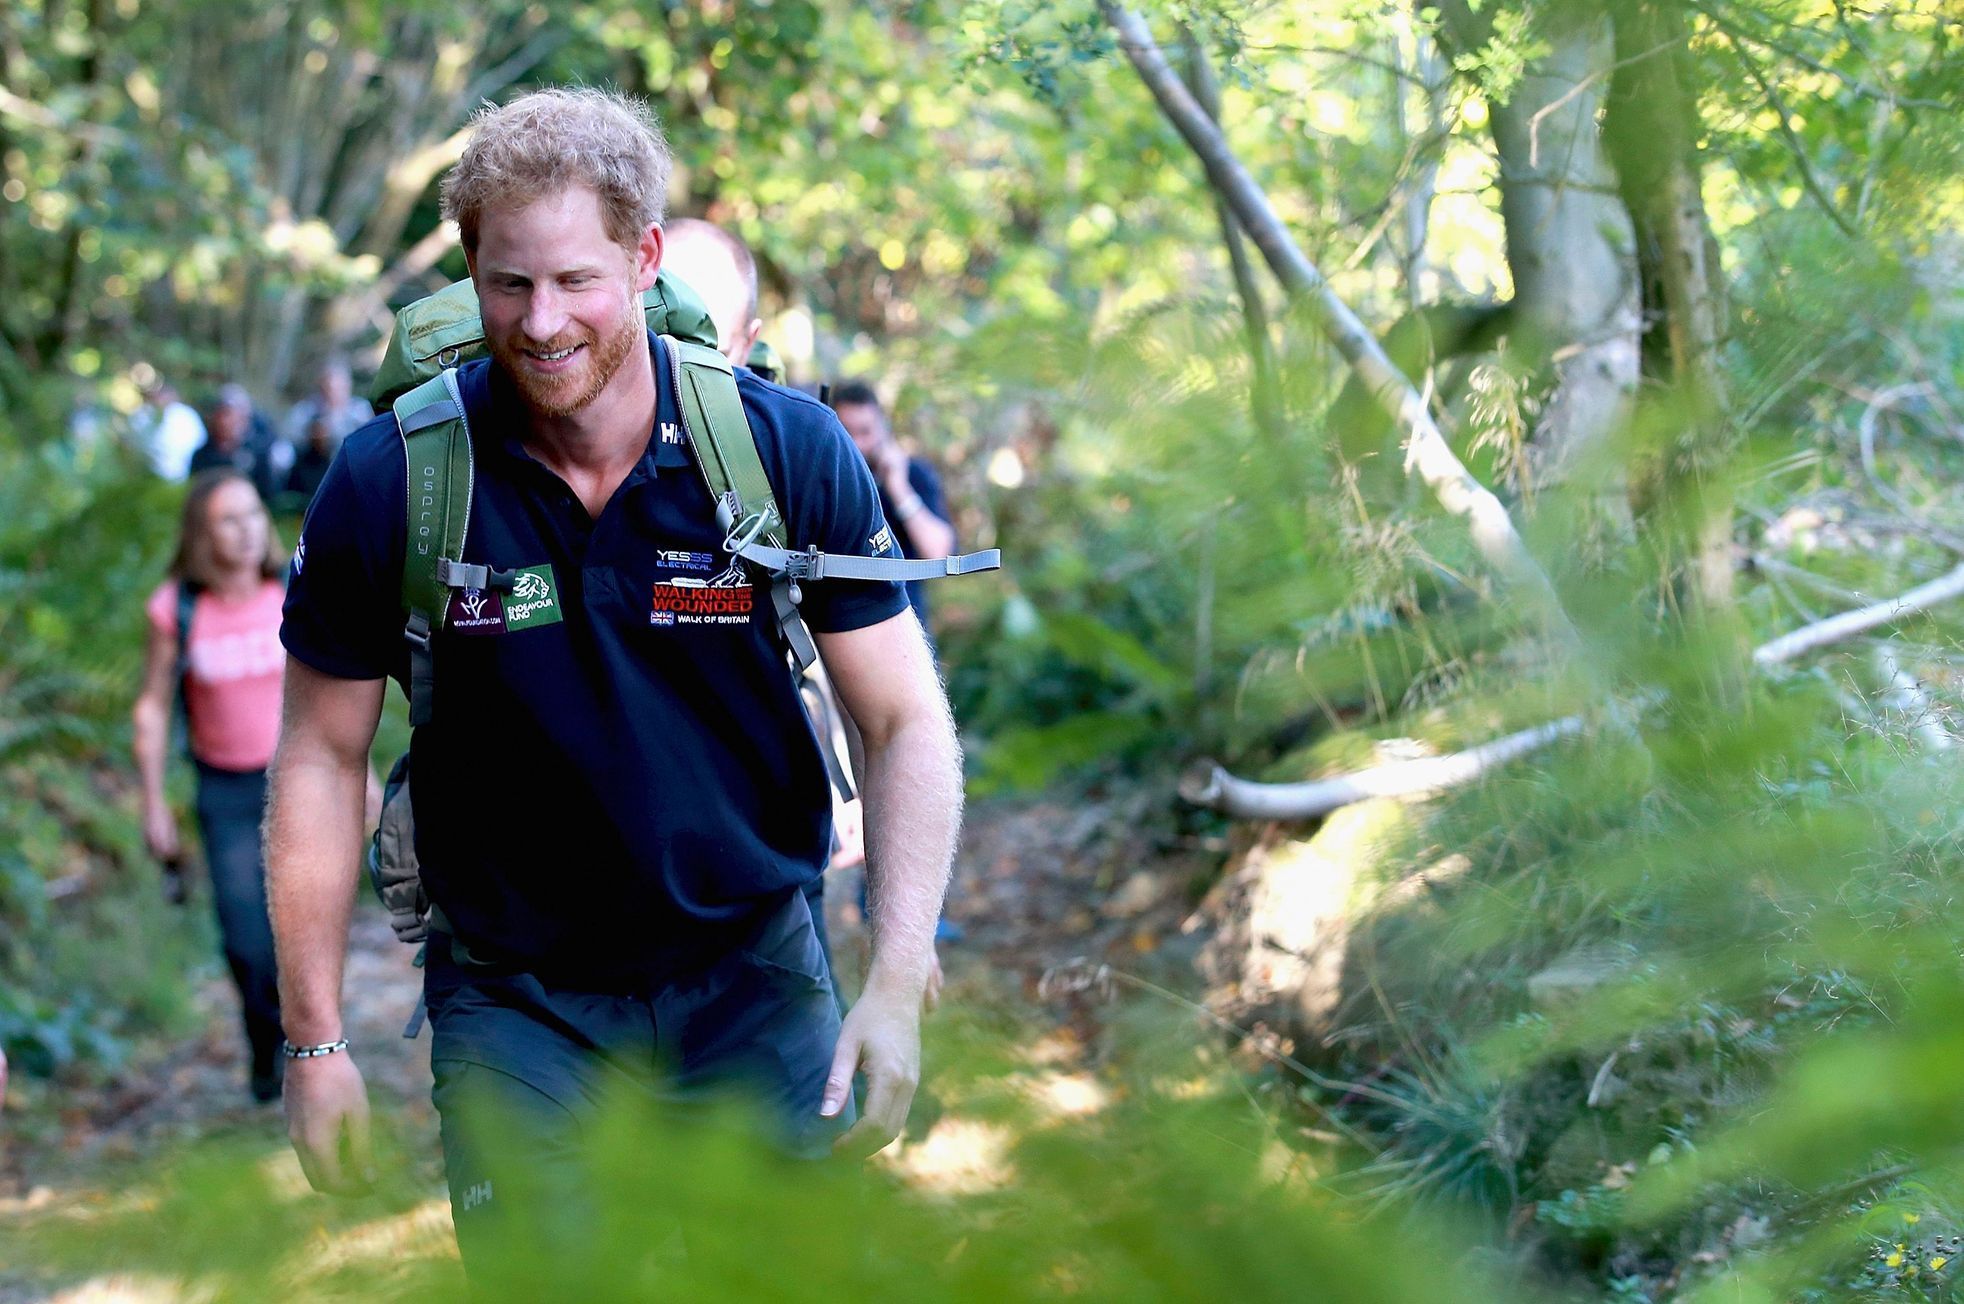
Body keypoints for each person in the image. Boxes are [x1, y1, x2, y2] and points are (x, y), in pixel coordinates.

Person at [267, 88, 961, 1277]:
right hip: (515, 1005)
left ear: (644, 260)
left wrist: (894, 977)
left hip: (752, 974)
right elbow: (320, 757)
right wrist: (314, 1040)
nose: (541, 324)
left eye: (576, 280)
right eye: (508, 283)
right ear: (469, 272)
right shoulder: (391, 483)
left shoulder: (779, 449)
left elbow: (903, 719)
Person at [663, 218, 949, 1007]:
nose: (673, 359)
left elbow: (861, 687)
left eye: (702, 335)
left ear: (748, 340)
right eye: (657, 320)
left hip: (767, 878)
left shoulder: (790, 456)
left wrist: (900, 931)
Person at [131, 469, 290, 1102]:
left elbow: (334, 696)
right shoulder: (177, 608)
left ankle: (308, 1050)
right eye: (229, 519)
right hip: (223, 792)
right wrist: (151, 803)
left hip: (296, 783)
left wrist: (352, 772)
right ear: (202, 533)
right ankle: (265, 1042)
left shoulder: (291, 589)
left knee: (298, 926)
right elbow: (150, 707)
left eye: (253, 515)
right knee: (248, 941)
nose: (247, 530)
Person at [828, 382, 957, 633]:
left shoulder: (914, 475)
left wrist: (898, 488)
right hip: (839, 625)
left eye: (865, 431)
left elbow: (940, 552)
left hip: (904, 624)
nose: (856, 443)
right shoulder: (824, 479)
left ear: (882, 429)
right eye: (847, 432)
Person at [190, 384, 290, 503]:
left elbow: (270, 495)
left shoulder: (259, 454)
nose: (225, 421)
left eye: (230, 414)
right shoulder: (202, 454)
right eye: (221, 414)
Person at [283, 356, 372, 461]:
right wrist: (311, 438)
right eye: (329, 389)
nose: (334, 394)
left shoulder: (361, 412)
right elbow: (290, 438)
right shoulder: (308, 411)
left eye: (339, 388)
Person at [130, 377, 206, 482]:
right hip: (146, 476)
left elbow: (199, 441)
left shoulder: (185, 414)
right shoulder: (144, 414)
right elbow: (134, 443)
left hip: (181, 474)